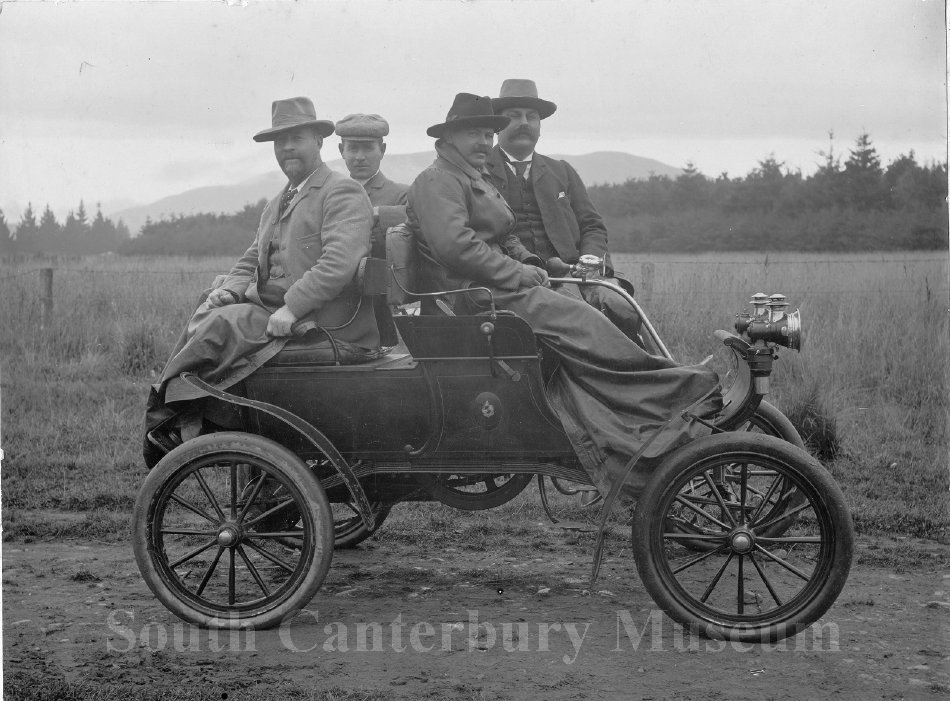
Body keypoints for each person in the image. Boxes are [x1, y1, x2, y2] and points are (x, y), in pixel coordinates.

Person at [407, 93, 721, 494]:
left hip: (495, 288)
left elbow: (505, 235)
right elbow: (457, 247)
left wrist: (539, 265)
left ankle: (635, 417)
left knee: (593, 311)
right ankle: (667, 395)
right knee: (582, 322)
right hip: (472, 299)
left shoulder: (472, 176)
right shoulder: (437, 180)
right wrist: (518, 273)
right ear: (448, 138)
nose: (485, 142)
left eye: (488, 134)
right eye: (474, 134)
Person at [144, 96, 378, 465]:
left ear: (318, 142)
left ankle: (174, 415)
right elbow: (252, 257)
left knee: (220, 325)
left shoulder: (341, 191)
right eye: (279, 142)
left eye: (296, 138)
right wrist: (229, 289)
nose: (287, 148)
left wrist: (291, 307)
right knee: (210, 302)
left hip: (324, 324)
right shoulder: (278, 202)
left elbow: (339, 262)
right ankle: (184, 412)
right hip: (275, 312)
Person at [485, 79, 642, 342]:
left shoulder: (561, 172)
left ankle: (656, 372)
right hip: (518, 283)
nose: (524, 123)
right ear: (497, 126)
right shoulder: (479, 173)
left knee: (621, 306)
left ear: (539, 127)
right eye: (513, 116)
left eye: (532, 117)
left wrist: (589, 267)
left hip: (577, 276)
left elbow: (592, 225)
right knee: (585, 321)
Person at [335, 113, 409, 345]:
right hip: (334, 299)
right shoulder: (330, 194)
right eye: (352, 148)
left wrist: (380, 213)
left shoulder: (402, 195)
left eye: (368, 148)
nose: (359, 157)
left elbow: (422, 220)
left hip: (380, 303)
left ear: (383, 149)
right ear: (341, 150)